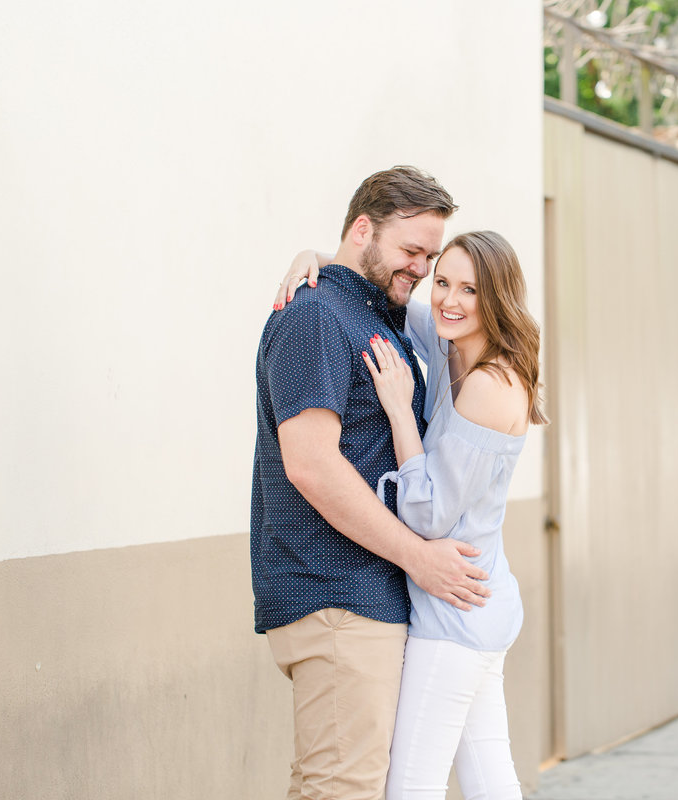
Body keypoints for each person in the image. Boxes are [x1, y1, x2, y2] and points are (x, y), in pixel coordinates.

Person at [276, 230, 548, 800]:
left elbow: (429, 517)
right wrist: (319, 260)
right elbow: (400, 303)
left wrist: (400, 411)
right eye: (442, 281)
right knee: (488, 777)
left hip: (456, 610)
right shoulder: (453, 344)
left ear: (496, 298)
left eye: (469, 290)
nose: (448, 299)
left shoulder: (491, 385)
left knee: (410, 788)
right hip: (472, 604)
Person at [251, 166, 493, 800]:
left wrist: (320, 256)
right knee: (343, 790)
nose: (420, 269)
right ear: (363, 230)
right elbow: (310, 464)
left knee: (336, 787)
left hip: (364, 602)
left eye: (430, 256)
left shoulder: (374, 314)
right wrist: (421, 558)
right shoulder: (316, 318)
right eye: (411, 251)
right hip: (338, 600)